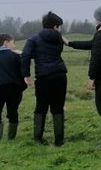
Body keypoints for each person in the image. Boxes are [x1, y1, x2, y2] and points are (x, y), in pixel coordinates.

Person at [66, 5, 101, 146]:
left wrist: (92, 77)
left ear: (99, 18)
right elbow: (91, 44)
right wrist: (70, 43)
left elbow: (96, 58)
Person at [21, 11, 68, 146]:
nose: (60, 29)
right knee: (58, 107)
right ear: (55, 26)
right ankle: (59, 141)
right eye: (60, 26)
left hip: (43, 76)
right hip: (59, 74)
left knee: (40, 107)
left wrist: (26, 74)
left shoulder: (33, 39)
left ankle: (38, 139)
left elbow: (25, 56)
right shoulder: (60, 38)